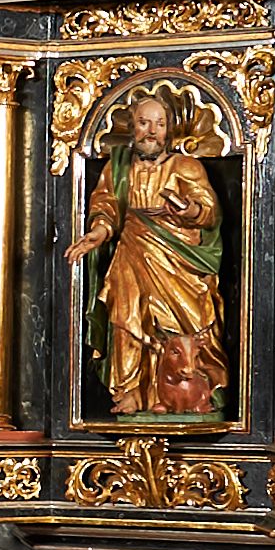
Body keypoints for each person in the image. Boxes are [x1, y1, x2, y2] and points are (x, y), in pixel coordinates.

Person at [65, 90, 228, 417]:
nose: (151, 131)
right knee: (126, 319)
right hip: (132, 247)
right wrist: (98, 233)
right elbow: (107, 206)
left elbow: (209, 211)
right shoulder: (117, 169)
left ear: (170, 129)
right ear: (132, 127)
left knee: (187, 321)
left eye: (159, 124)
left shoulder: (187, 166)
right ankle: (132, 392)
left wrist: (189, 210)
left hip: (179, 256)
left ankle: (188, 392)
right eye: (143, 123)